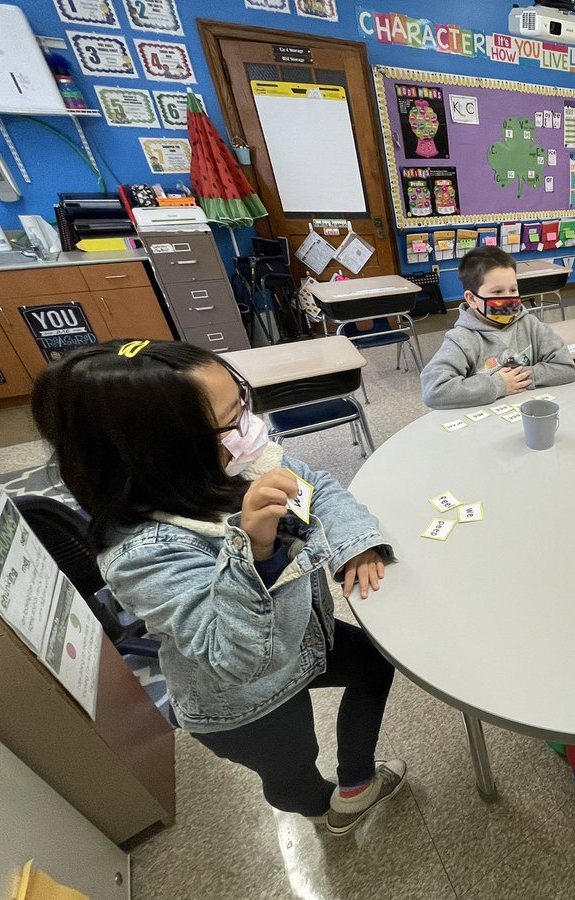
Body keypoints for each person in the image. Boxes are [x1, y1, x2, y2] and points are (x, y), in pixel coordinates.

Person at [30, 339, 406, 836]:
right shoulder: (141, 554)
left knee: (376, 661)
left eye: (243, 402)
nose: (252, 426)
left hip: (304, 642)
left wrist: (357, 543)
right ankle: (324, 812)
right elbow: (236, 656)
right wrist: (257, 550)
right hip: (241, 703)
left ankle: (356, 783)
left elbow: (318, 485)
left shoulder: (235, 463)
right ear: (163, 454)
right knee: (292, 768)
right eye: (232, 421)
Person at [420, 247, 575, 409]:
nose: (508, 298)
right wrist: (498, 384)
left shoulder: (531, 324)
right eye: (497, 292)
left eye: (513, 290)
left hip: (527, 412)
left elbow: (566, 368)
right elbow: (434, 390)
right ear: (472, 299)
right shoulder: (462, 339)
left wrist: (519, 378)